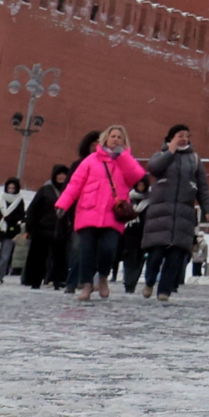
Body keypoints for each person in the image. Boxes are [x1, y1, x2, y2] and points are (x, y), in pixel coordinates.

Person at [55, 125, 147, 302]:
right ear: (105, 139)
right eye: (113, 136)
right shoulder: (90, 160)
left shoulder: (126, 161)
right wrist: (63, 205)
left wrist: (122, 156)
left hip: (113, 214)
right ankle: (86, 285)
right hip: (88, 210)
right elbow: (75, 184)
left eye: (119, 137)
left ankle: (103, 277)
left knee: (108, 249)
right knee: (86, 251)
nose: (116, 139)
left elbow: (137, 177)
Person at [138, 125, 208, 303]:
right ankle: (150, 281)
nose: (184, 139)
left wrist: (207, 210)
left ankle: (164, 290)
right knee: (155, 254)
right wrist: (170, 151)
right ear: (171, 138)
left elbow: (203, 187)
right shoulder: (160, 155)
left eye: (186, 136)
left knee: (175, 255)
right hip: (160, 214)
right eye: (179, 135)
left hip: (183, 215)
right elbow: (154, 168)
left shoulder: (194, 159)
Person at [22, 166, 68, 289]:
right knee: (39, 256)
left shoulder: (69, 191)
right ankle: (35, 280)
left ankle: (57, 281)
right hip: (43, 228)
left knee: (59, 257)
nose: (61, 177)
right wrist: (30, 227)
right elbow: (33, 208)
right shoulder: (45, 190)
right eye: (59, 174)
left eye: (64, 174)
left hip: (61, 229)